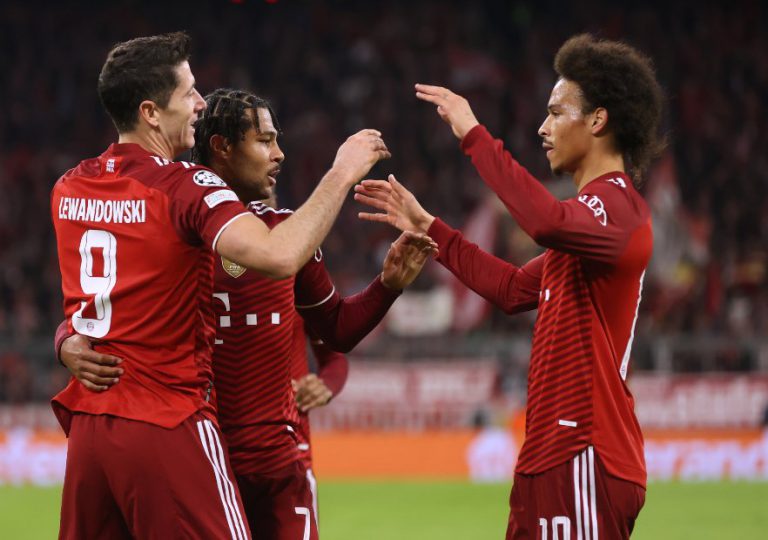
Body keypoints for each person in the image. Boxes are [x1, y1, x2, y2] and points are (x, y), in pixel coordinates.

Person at [51, 32, 393, 540]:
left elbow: (101, 299)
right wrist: (341, 173)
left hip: (89, 428)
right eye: (188, 92)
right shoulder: (186, 188)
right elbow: (278, 255)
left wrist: (65, 339)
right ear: (150, 113)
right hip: (168, 421)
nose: (199, 102)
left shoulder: (71, 186)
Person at [355, 33, 664, 539]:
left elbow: (544, 221)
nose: (543, 128)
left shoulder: (618, 208)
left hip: (584, 451)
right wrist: (430, 227)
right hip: (550, 454)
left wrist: (474, 134)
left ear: (598, 121)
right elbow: (514, 290)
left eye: (556, 113)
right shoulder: (588, 226)